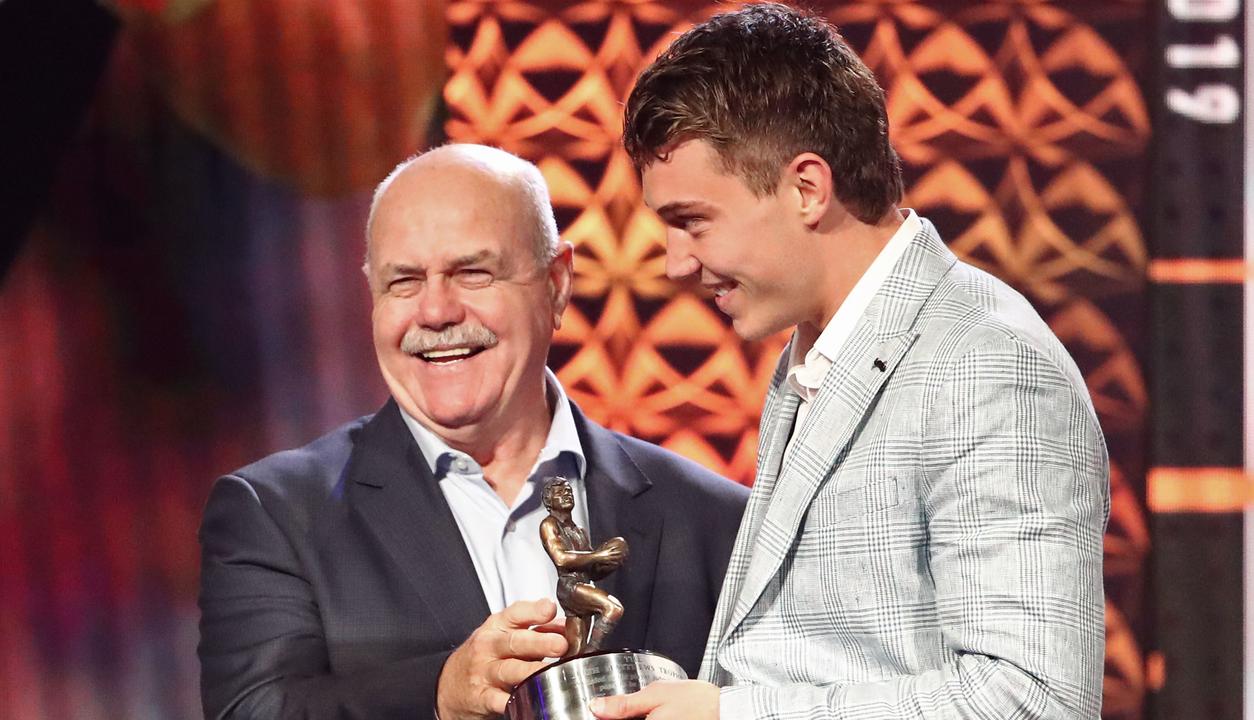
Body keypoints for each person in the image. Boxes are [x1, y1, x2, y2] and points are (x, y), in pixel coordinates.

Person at [591, 4, 1110, 719]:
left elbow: (1032, 700)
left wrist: (732, 716)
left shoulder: (989, 368)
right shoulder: (819, 346)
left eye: (692, 221)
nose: (676, 263)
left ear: (807, 187)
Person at [197, 144, 749, 720]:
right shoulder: (276, 514)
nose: (435, 312)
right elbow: (251, 712)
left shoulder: (714, 519)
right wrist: (438, 694)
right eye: (404, 282)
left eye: (473, 272)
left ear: (557, 284)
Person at [539, 477, 627, 655]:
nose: (566, 494)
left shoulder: (579, 531)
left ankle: (577, 665)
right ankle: (592, 653)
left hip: (583, 585)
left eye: (569, 491)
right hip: (570, 586)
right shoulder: (549, 524)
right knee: (613, 608)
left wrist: (610, 562)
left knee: (575, 650)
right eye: (560, 491)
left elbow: (592, 572)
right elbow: (561, 558)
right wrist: (599, 555)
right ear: (548, 501)